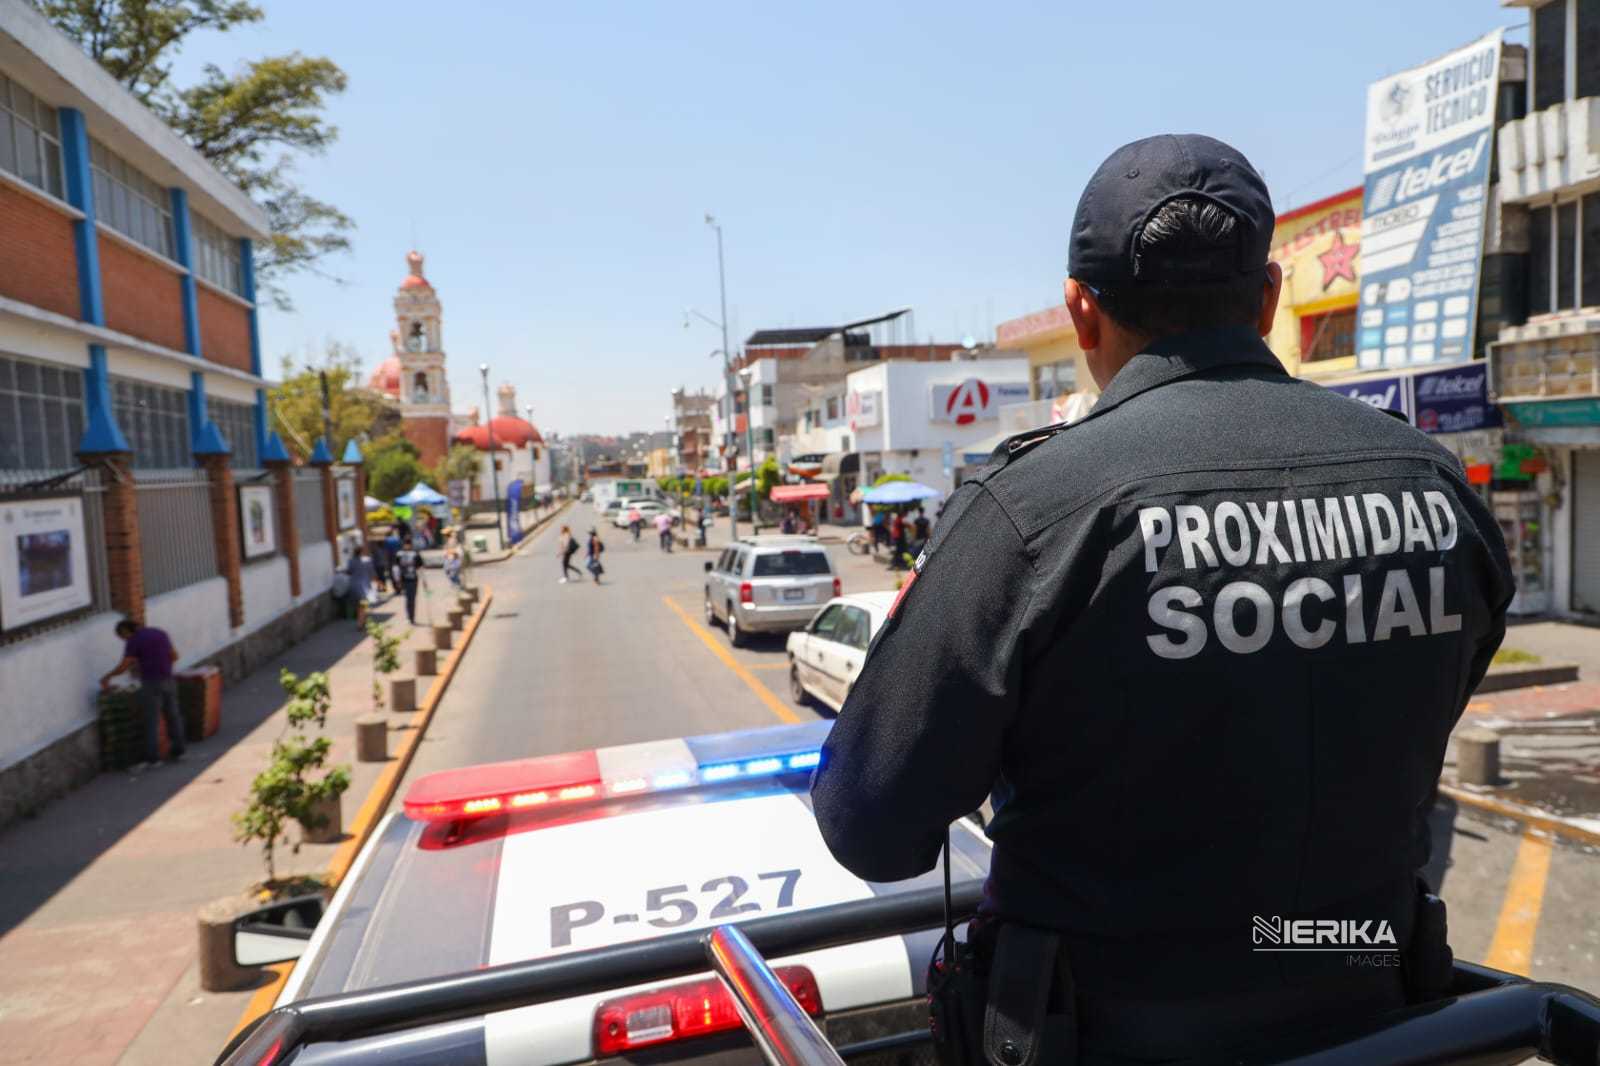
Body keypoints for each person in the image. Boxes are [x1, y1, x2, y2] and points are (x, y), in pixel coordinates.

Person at [810, 134, 1514, 1065]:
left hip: (1105, 1029)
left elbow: (870, 826)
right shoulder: (1433, 483)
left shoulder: (1031, 512)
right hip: (1380, 1014)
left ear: (1082, 313)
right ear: (1268, 300)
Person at [101, 618, 184, 772]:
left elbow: (124, 665)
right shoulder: (160, 633)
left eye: (122, 637)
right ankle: (179, 751)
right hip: (168, 679)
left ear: (125, 631)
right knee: (173, 715)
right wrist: (163, 668)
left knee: (152, 720)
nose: (123, 640)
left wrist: (108, 677)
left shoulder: (133, 641)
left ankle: (153, 759)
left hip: (151, 683)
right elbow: (174, 656)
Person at [391, 535, 423, 624]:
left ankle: (411, 617)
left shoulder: (401, 554)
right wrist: (397, 580)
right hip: (407, 579)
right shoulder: (413, 554)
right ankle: (410, 616)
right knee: (410, 599)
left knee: (410, 599)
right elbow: (396, 568)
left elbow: (395, 568)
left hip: (409, 579)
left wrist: (397, 580)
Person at [346, 543, 376, 621]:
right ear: (362, 551)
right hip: (364, 585)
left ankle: (361, 619)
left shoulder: (351, 561)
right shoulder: (367, 560)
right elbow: (372, 572)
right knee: (364, 604)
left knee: (359, 604)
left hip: (354, 585)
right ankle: (362, 620)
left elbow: (348, 572)